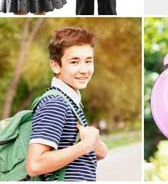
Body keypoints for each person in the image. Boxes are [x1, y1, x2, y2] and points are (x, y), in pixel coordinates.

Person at [25, 24, 108, 179]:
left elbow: (100, 152)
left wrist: (92, 142)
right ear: (55, 66)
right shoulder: (55, 103)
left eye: (88, 61)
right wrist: (84, 146)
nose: (84, 70)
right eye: (74, 62)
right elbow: (34, 164)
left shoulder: (71, 102)